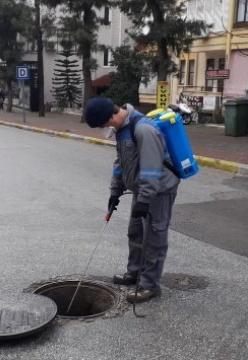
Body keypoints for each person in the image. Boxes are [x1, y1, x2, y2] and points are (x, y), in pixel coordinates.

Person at [83, 97, 180, 303]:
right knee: (135, 232)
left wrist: (144, 200)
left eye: (104, 124)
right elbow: (121, 162)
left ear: (111, 115)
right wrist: (115, 191)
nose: (105, 128)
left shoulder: (143, 129)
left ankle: (149, 285)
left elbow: (152, 170)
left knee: (153, 238)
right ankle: (134, 273)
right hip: (141, 191)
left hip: (158, 192)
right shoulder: (122, 130)